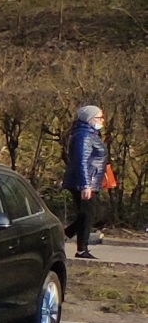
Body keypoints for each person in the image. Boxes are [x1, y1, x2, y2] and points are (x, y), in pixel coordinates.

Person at [64, 103, 110, 260]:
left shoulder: (91, 135)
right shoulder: (83, 136)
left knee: (91, 214)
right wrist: (85, 185)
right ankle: (81, 249)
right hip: (84, 182)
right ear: (89, 119)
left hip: (91, 181)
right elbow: (81, 161)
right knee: (88, 214)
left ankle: (64, 235)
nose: (102, 120)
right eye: (99, 117)